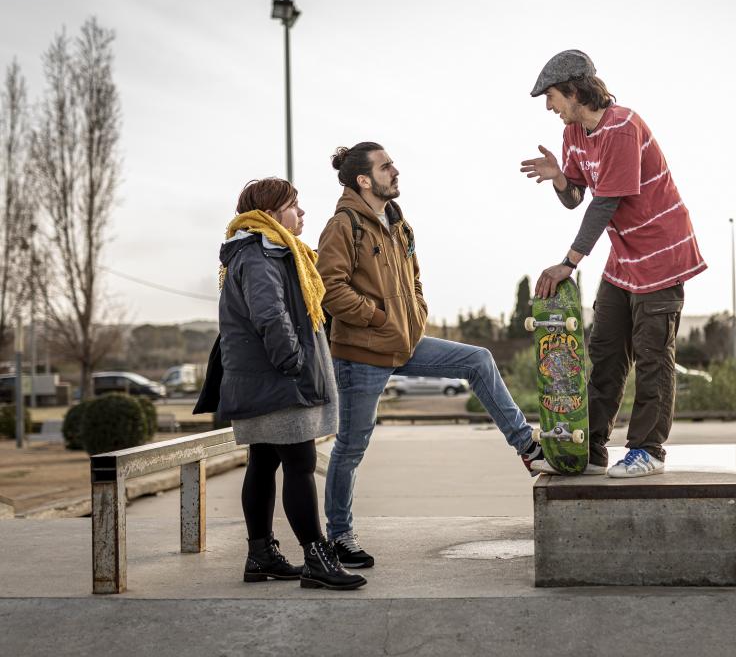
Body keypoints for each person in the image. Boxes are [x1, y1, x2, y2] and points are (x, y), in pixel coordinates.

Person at [317, 143, 541, 567]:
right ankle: (340, 536)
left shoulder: (399, 224)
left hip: (404, 341)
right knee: (351, 446)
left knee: (477, 359)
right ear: (364, 179)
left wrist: (416, 314)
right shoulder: (343, 226)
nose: (395, 171)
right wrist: (379, 317)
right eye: (386, 167)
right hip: (362, 351)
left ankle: (527, 446)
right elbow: (331, 288)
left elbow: (415, 279)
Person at [520, 50, 706, 478]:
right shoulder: (574, 135)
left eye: (551, 97)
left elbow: (606, 203)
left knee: (652, 354)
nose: (549, 107)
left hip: (661, 254)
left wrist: (568, 263)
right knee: (604, 351)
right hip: (624, 258)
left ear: (573, 89)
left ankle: (649, 451)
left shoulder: (623, 126)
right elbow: (576, 199)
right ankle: (591, 449)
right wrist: (560, 178)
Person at [206, 177, 366, 591]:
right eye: (295, 205)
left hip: (261, 381)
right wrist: (294, 363)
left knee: (263, 461)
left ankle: (260, 556)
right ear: (272, 213)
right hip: (276, 382)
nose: (302, 213)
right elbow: (270, 315)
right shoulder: (261, 254)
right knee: (299, 463)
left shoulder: (262, 251)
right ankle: (316, 558)